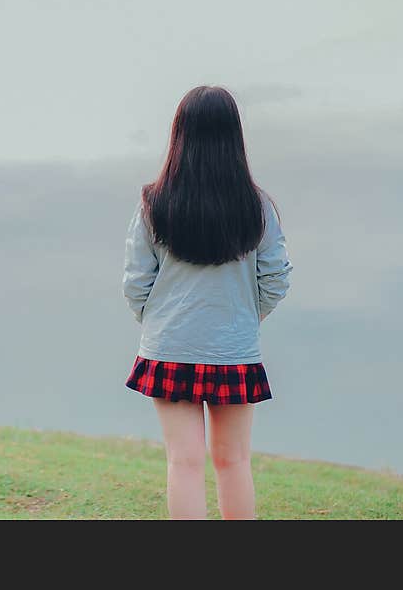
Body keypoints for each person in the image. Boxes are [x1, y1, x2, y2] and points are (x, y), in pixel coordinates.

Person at [122, 85, 293, 520]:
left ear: (180, 134)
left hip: (169, 349)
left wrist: (160, 320)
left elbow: (136, 283)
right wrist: (245, 318)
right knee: (233, 462)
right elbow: (275, 278)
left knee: (184, 462)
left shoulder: (153, 203)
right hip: (234, 350)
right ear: (234, 137)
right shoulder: (257, 206)